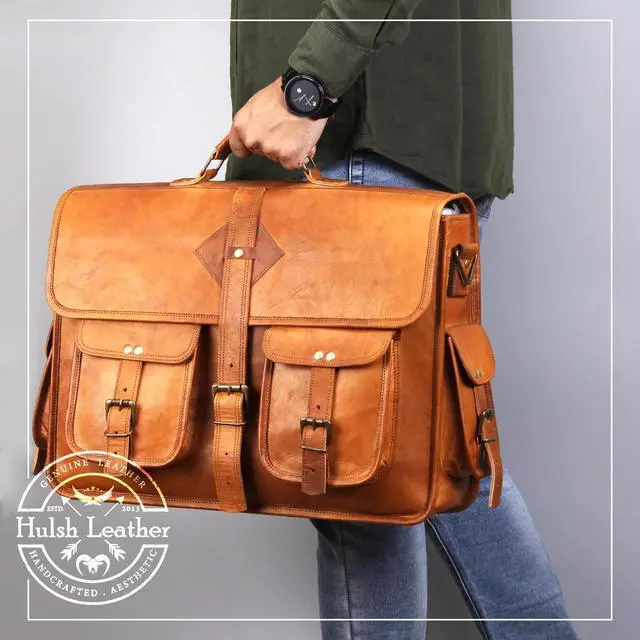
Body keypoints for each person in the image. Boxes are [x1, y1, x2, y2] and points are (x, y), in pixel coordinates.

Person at [226, 2, 580, 639]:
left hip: (353, 135)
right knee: (439, 453)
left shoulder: (326, 104)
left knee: (351, 468)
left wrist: (306, 88)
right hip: (392, 137)